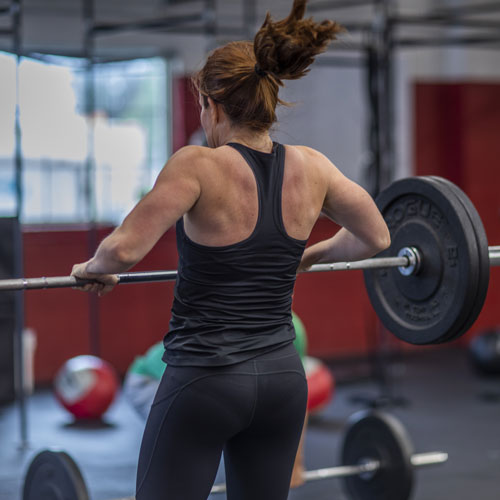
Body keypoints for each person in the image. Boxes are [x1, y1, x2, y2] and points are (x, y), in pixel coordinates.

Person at [71, 1, 390, 498]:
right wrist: (307, 255)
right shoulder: (314, 167)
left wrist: (93, 268)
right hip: (284, 381)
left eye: (202, 105)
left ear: (214, 105)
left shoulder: (197, 164)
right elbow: (378, 237)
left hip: (204, 380)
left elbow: (124, 249)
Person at [122, 312, 309, 488]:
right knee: (187, 449)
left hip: (214, 383)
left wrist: (295, 464)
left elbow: (295, 397)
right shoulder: (228, 315)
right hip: (151, 379)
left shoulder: (293, 329)